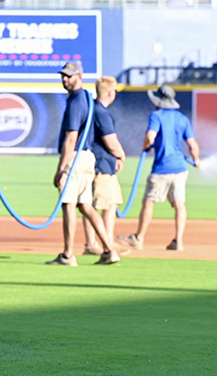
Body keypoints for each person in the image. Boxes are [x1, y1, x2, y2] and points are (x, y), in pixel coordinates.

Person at [47, 62, 121, 267]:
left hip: (76, 157)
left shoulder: (76, 101)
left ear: (79, 76)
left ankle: (68, 255)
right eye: (63, 76)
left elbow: (71, 137)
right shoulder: (86, 98)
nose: (65, 79)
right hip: (88, 157)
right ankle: (109, 250)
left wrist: (60, 170)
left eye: (69, 76)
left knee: (68, 204)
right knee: (85, 206)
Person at [118, 85, 201, 252]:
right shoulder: (182, 118)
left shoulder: (156, 116)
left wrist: (145, 147)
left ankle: (139, 238)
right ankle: (179, 240)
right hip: (180, 167)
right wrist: (197, 160)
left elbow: (150, 136)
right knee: (179, 204)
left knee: (149, 201)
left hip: (162, 168)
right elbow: (192, 144)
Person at [81, 76, 129, 256]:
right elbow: (111, 141)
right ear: (111, 93)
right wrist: (121, 155)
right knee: (104, 205)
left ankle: (94, 243)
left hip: (95, 162)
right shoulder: (102, 113)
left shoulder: (90, 109)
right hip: (102, 164)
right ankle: (100, 243)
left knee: (95, 204)